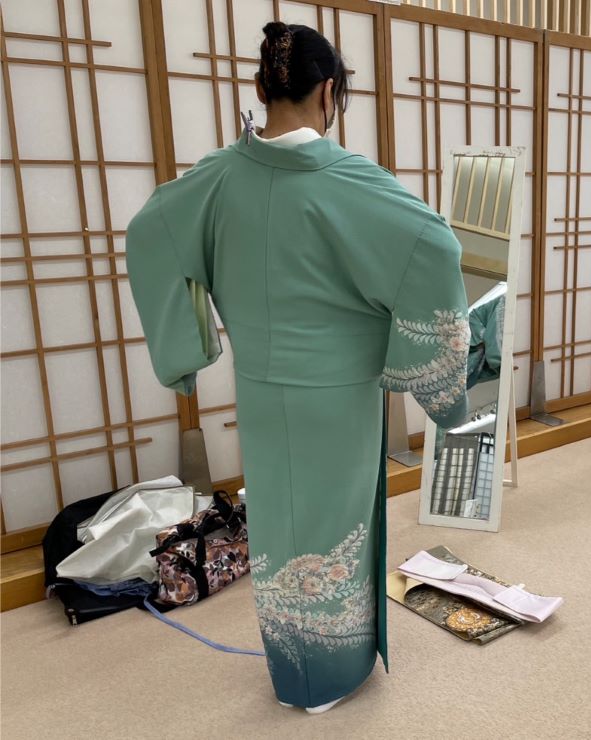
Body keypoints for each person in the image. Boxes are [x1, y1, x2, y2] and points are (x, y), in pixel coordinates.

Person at [126, 23, 469, 712]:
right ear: (329, 90)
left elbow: (149, 233)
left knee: (282, 527)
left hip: (260, 392)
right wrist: (428, 378)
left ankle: (293, 670)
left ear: (262, 89)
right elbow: (433, 248)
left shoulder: (217, 178)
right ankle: (332, 675)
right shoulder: (355, 182)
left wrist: (191, 350)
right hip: (337, 398)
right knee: (335, 526)